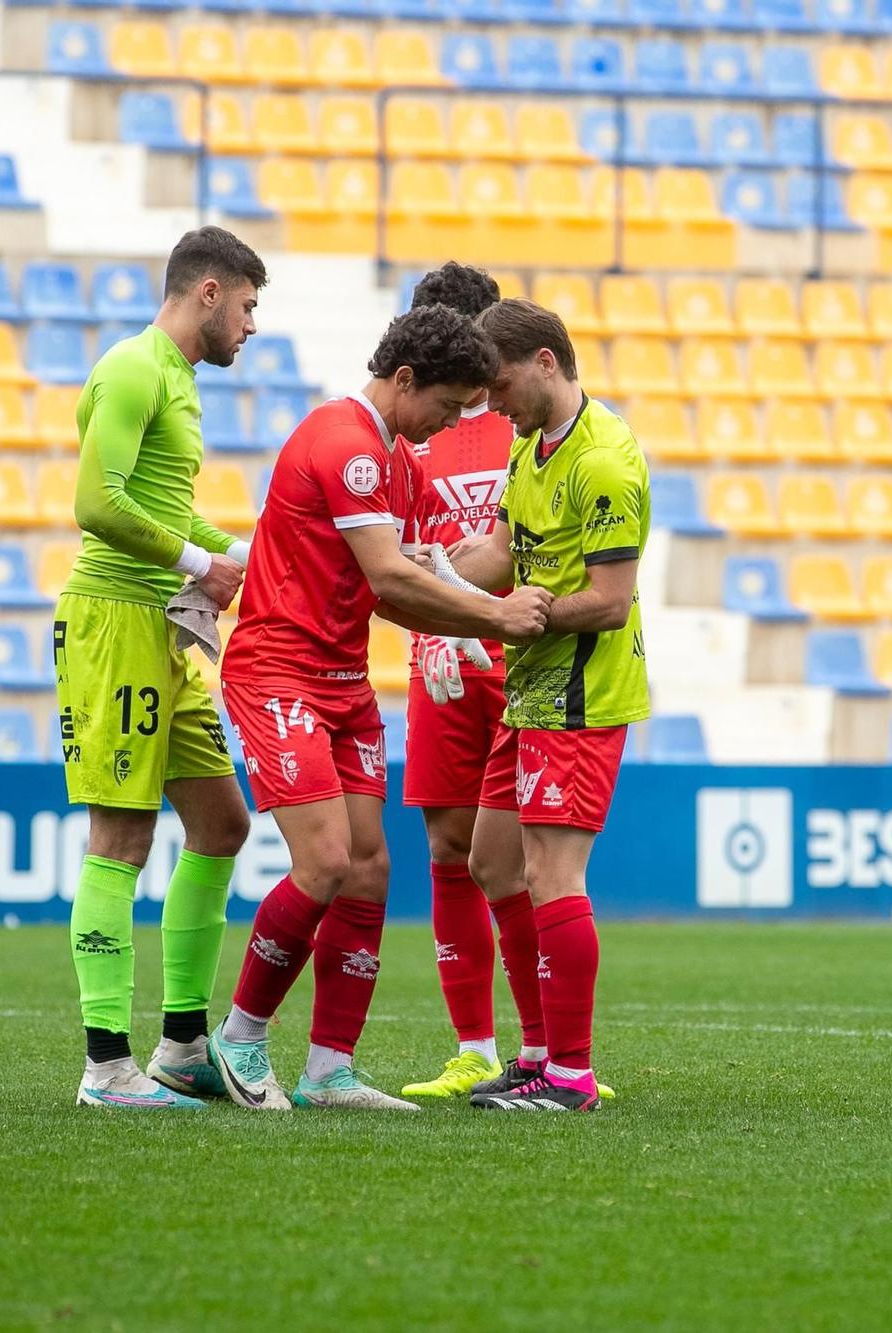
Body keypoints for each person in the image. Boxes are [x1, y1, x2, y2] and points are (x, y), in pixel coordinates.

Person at [208, 305, 553, 1112]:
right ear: (405, 381)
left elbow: (390, 591)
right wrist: (493, 616)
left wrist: (455, 625)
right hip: (278, 674)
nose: (446, 425)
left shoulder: (399, 459)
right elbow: (394, 580)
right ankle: (242, 1035)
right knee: (325, 859)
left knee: (368, 869)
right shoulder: (345, 445)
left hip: (342, 680)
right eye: (445, 404)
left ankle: (329, 1068)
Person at [57, 226, 266, 1111]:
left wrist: (252, 552)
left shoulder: (178, 380)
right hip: (115, 620)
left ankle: (182, 1044)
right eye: (249, 306)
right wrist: (200, 564)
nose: (253, 327)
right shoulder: (137, 366)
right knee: (123, 838)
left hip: (170, 628)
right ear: (208, 292)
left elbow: (164, 511)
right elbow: (96, 503)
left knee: (222, 824)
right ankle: (106, 1067)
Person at [450, 299, 652, 1114]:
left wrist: (524, 610)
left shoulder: (605, 460)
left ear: (543, 361)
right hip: (528, 687)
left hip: (581, 691)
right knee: (492, 862)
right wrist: (441, 569)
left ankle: (570, 1071)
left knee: (553, 872)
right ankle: (535, 1052)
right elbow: (502, 553)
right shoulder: (530, 447)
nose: (493, 407)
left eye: (498, 387)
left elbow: (609, 600)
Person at [386, 264, 553, 1102]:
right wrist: (430, 626)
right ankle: (476, 1048)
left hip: (519, 659)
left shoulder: (528, 424)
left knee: (521, 860)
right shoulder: (408, 431)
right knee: (449, 847)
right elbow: (402, 553)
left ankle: (547, 1046)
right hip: (443, 662)